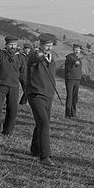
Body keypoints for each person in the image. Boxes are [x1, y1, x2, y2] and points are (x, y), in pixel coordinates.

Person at [0, 36, 27, 137]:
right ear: (6, 45)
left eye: (14, 45)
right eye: (10, 44)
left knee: (13, 109)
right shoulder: (0, 53)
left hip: (14, 87)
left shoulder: (20, 57)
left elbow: (23, 75)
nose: (12, 47)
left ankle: (7, 131)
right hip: (0, 85)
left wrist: (26, 89)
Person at [27, 33, 59, 166]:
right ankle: (45, 156)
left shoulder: (52, 58)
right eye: (46, 46)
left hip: (48, 95)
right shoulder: (35, 55)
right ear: (40, 45)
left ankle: (35, 149)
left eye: (51, 46)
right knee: (44, 123)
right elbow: (34, 57)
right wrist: (37, 52)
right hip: (36, 94)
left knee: (41, 122)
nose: (49, 48)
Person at [64, 43, 84, 118]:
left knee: (75, 97)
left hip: (77, 79)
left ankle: (73, 113)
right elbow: (76, 62)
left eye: (79, 49)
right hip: (70, 79)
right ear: (73, 49)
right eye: (76, 49)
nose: (77, 50)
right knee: (69, 96)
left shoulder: (78, 57)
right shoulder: (70, 56)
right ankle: (67, 113)